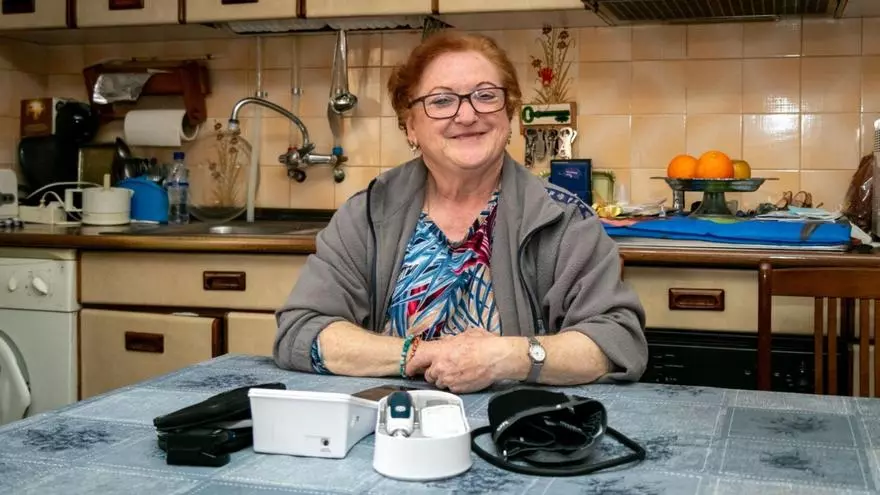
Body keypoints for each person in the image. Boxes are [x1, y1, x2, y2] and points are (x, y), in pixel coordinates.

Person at [274, 31, 647, 393]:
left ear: (508, 114)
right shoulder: (369, 214)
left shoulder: (561, 218)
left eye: (486, 96)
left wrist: (506, 358)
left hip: (515, 427)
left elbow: (617, 341)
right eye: (441, 101)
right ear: (410, 126)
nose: (467, 115)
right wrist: (421, 354)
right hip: (388, 424)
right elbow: (302, 331)